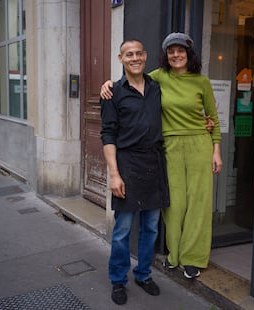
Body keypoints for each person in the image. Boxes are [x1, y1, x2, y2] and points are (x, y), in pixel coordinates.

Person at [101, 32, 222, 279]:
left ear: (189, 54)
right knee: (173, 206)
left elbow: (214, 118)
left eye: (181, 50)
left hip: (196, 146)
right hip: (164, 150)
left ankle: (192, 258)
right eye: (171, 51)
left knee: (196, 204)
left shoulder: (198, 82)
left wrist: (216, 149)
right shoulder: (156, 79)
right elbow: (127, 81)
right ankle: (172, 256)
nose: (176, 55)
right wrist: (107, 83)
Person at [100, 39, 169, 305]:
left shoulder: (156, 87)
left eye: (139, 53)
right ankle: (118, 279)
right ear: (121, 58)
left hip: (154, 163)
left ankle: (143, 274)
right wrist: (114, 174)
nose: (135, 58)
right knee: (122, 230)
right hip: (127, 164)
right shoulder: (113, 92)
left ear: (145, 56)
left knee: (150, 228)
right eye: (129, 54)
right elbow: (108, 135)